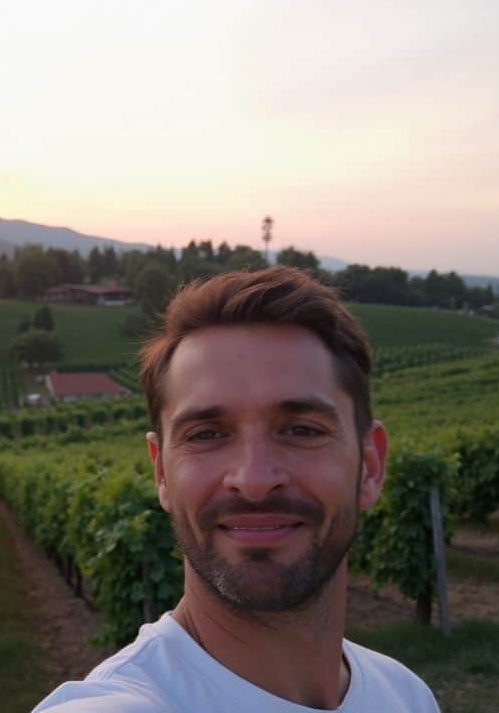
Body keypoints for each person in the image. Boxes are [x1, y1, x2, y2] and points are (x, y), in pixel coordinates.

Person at [33, 267, 440, 712]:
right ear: (162, 474)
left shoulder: (406, 696)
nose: (253, 479)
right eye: (206, 435)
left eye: (302, 430)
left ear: (370, 466)